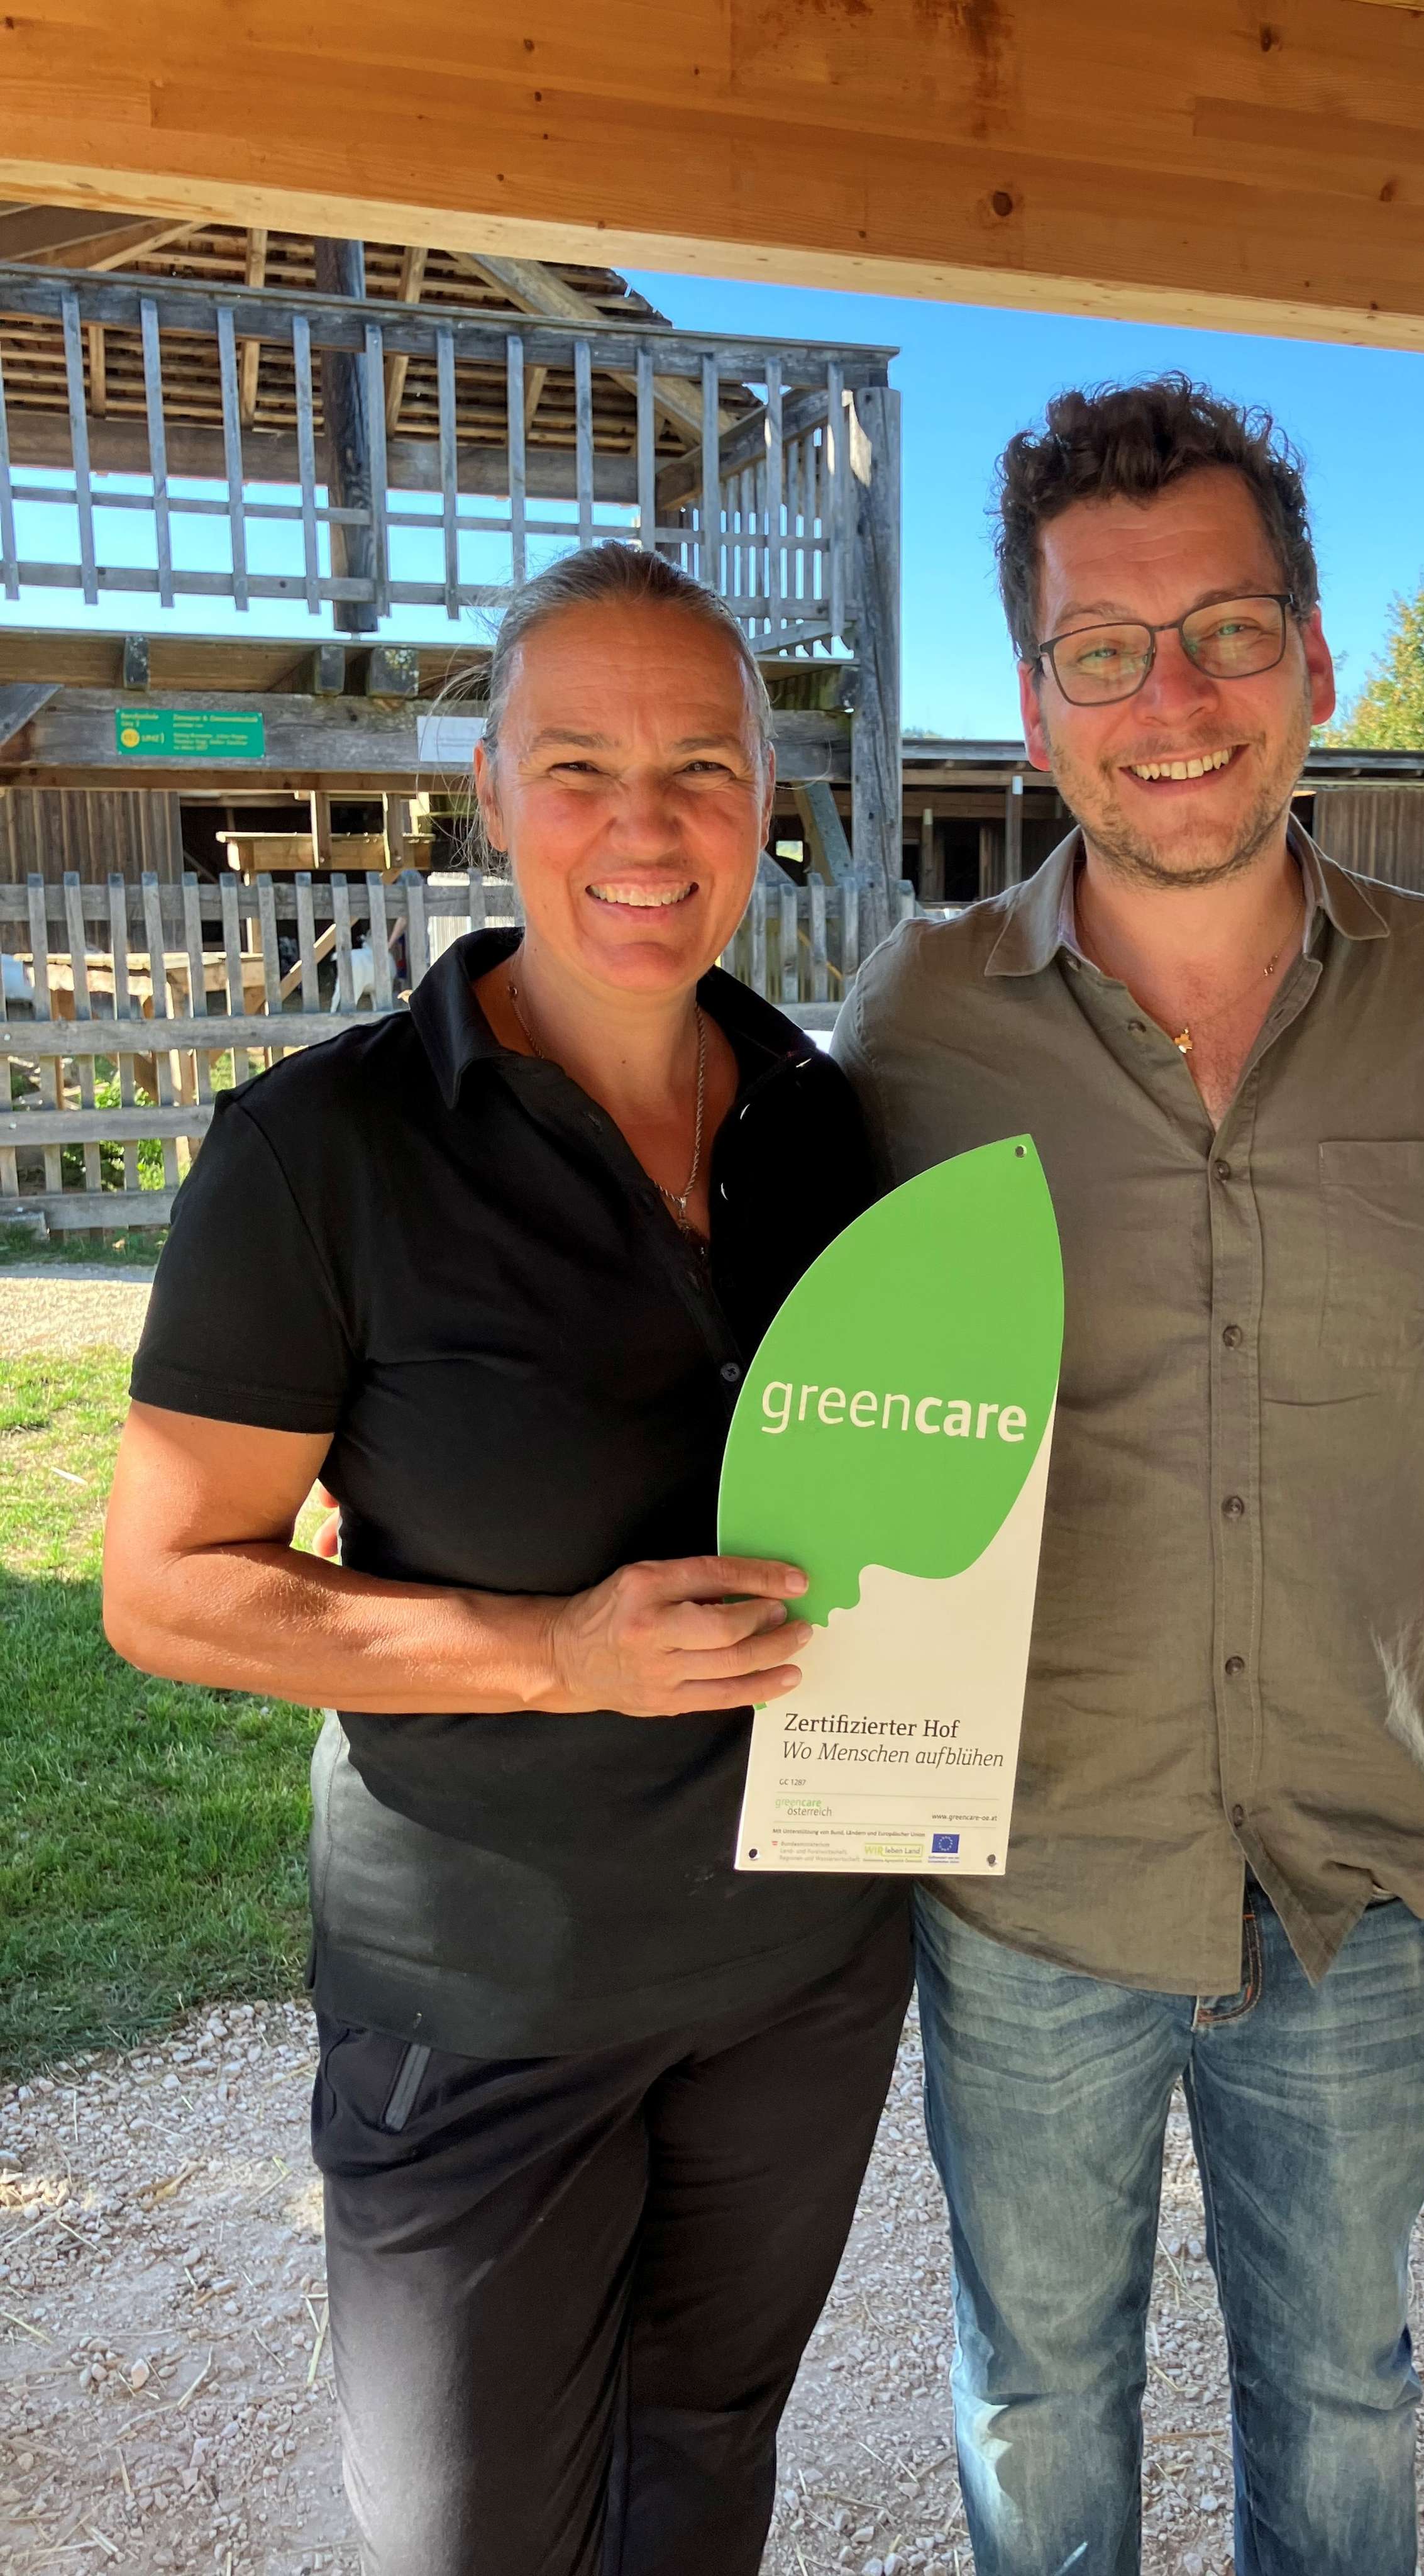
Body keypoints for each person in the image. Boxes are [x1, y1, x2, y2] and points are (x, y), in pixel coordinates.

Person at [833, 377, 1424, 2576]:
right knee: (1033, 2395)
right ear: (1032, 704)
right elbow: (772, 1382)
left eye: (1224, 629)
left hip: (1352, 1870)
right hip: (1025, 1878)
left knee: (1346, 2388)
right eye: (1105, 648)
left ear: (1317, 658)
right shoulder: (906, 1021)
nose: (1170, 698)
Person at [99, 542, 910, 2576]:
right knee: (467, 2536)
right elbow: (167, 1582)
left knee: (707, 2463)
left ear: (766, 790)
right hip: (483, 1991)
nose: (647, 824)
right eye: (581, 762)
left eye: (703, 763)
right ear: (488, 786)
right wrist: (559, 1648)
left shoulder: (836, 1129)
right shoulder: (326, 1149)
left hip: (802, 1975)